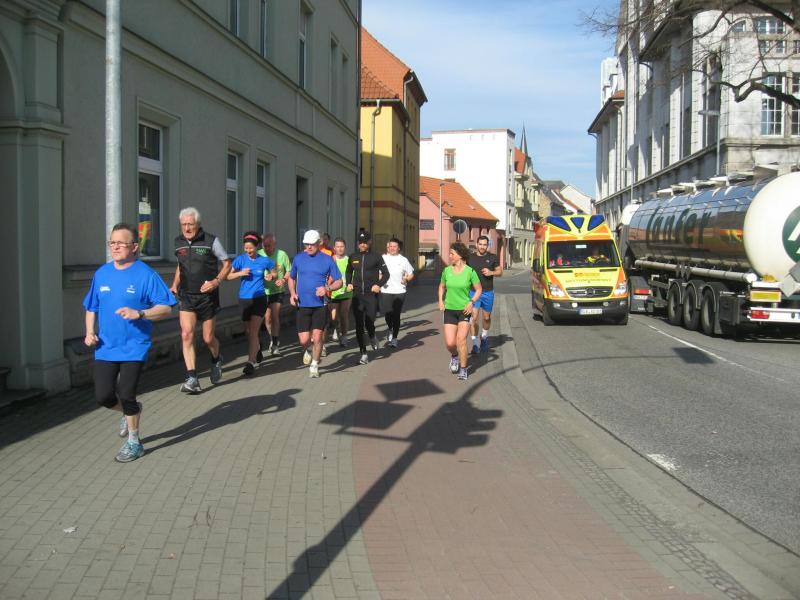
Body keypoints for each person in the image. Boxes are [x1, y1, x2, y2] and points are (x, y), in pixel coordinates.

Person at [84, 223, 176, 462]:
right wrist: (89, 332)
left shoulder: (146, 274)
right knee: (104, 396)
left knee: (126, 394)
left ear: (134, 247)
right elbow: (91, 307)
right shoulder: (102, 273)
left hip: (134, 346)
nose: (115, 247)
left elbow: (166, 307)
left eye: (120, 243)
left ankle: (134, 442)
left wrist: (141, 313)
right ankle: (129, 412)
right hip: (105, 346)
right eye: (112, 243)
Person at [171, 207, 231, 393]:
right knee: (186, 334)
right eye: (183, 224)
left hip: (207, 297)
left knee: (208, 338)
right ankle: (192, 378)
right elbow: (180, 266)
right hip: (186, 296)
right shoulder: (178, 242)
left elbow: (227, 264)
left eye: (190, 224)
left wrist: (216, 282)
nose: (187, 228)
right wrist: (174, 285)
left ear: (198, 224)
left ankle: (216, 359)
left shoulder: (211, 241)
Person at [287, 229, 343, 378]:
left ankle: (315, 365)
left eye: (311, 244)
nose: (309, 247)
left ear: (319, 243)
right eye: (306, 244)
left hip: (320, 305)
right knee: (304, 340)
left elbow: (339, 281)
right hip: (302, 304)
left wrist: (327, 288)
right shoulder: (298, 258)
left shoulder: (327, 259)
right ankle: (307, 349)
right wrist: (292, 294)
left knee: (317, 337)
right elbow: (291, 278)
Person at [228, 232, 276, 375]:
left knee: (254, 331)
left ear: (257, 247)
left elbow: (274, 273)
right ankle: (258, 347)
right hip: (244, 299)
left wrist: (271, 276)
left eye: (250, 248)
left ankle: (250, 362)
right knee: (249, 332)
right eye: (246, 248)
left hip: (259, 299)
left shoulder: (264, 260)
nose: (248, 250)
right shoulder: (240, 260)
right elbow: (227, 276)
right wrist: (239, 273)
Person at [439, 242, 482, 381]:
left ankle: (463, 369)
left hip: (465, 310)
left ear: (460, 255)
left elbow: (479, 290)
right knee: (450, 344)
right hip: (449, 310)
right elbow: (441, 286)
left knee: (461, 340)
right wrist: (440, 300)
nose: (450, 256)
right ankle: (454, 356)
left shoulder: (470, 272)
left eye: (452, 253)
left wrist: (471, 302)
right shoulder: (447, 271)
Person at [347, 231, 387, 365]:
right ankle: (363, 353)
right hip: (357, 295)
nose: (362, 245)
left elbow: (386, 274)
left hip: (371, 295)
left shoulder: (376, 257)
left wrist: (378, 284)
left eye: (365, 242)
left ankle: (372, 335)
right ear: (358, 243)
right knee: (359, 325)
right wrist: (349, 283)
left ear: (370, 242)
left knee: (370, 322)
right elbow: (348, 271)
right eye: (360, 242)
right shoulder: (353, 257)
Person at [258, 233, 291, 358]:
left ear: (274, 244)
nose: (267, 248)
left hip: (277, 290)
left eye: (269, 245)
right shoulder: (259, 254)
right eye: (265, 245)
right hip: (263, 291)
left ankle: (276, 344)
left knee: (275, 315)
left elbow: (289, 271)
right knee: (267, 319)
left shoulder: (282, 255)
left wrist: (283, 280)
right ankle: (272, 338)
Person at [468, 235, 501, 354]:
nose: (482, 247)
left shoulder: (492, 257)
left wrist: (491, 272)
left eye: (484, 245)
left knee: (486, 318)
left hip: (488, 292)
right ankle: (475, 344)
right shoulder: (470, 258)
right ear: (476, 245)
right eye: (480, 244)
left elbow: (500, 271)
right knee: (473, 318)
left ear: (487, 245)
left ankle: (484, 337)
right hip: (473, 292)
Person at [380, 237, 414, 348]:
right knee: (387, 313)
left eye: (394, 246)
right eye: (390, 246)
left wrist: (406, 279)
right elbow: (377, 271)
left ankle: (394, 338)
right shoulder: (383, 258)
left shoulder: (403, 260)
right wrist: (379, 277)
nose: (392, 248)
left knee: (396, 314)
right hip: (386, 290)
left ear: (398, 248)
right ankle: (390, 328)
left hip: (400, 290)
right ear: (387, 247)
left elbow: (411, 274)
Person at [327, 237, 352, 348]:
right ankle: (336, 328)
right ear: (334, 248)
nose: (340, 248)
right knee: (333, 317)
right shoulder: (330, 260)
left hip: (346, 292)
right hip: (334, 292)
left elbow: (353, 274)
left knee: (344, 314)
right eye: (338, 246)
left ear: (345, 247)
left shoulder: (349, 260)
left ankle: (344, 337)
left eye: (342, 246)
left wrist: (351, 285)